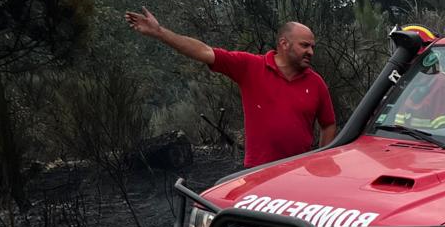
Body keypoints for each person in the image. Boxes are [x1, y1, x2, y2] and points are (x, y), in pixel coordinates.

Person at [124, 9, 336, 169]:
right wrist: (160, 32)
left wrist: (319, 160)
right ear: (284, 43)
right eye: (305, 45)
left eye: (312, 47)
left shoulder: (316, 83)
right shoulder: (251, 67)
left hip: (298, 175)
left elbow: (328, 124)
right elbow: (205, 52)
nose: (311, 52)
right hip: (258, 173)